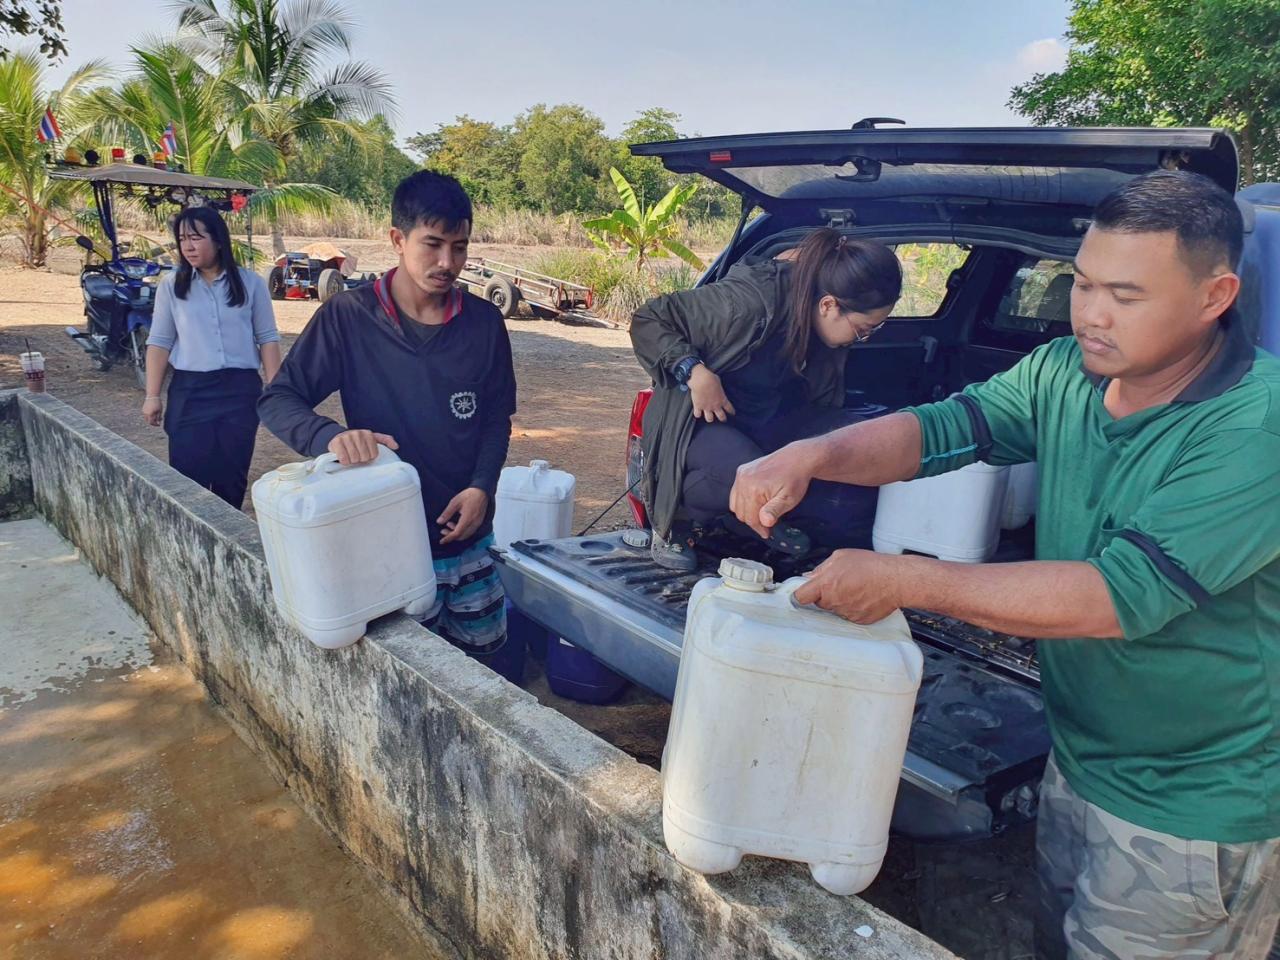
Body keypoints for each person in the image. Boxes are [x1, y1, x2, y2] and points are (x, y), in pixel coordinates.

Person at [730, 170, 1280, 959]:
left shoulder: (1255, 427)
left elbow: (1116, 597)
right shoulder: (1065, 371)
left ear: (1213, 296)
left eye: (1125, 296)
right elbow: (947, 427)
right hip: (1082, 756)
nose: (1090, 313)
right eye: (1081, 283)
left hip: (1195, 801)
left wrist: (906, 581)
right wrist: (815, 453)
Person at [258, 170, 516, 662]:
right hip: (384, 546)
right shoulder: (349, 317)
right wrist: (329, 436)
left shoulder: (484, 323)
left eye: (459, 247)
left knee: (485, 675)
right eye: (433, 244)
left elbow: (495, 419)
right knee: (406, 682)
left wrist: (483, 487)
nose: (448, 263)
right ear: (398, 239)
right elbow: (278, 398)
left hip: (470, 544)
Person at [629, 227, 902, 570]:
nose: (862, 338)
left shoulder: (821, 321)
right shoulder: (750, 301)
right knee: (754, 472)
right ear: (829, 305)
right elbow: (649, 319)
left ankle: (754, 518)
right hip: (699, 424)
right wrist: (694, 371)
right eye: (863, 330)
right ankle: (679, 522)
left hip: (764, 417)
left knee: (855, 438)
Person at [143, 205, 282, 509]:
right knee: (187, 477)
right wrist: (152, 395)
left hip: (239, 391)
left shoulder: (251, 284)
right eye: (182, 239)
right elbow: (160, 342)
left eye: (196, 237)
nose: (188, 246)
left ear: (218, 239)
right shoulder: (171, 286)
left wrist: (275, 391)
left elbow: (267, 339)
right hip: (190, 391)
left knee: (231, 476)